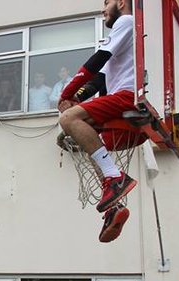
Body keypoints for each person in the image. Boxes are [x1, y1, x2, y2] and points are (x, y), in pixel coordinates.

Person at [57, 0, 142, 242]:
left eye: (107, 2)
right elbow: (98, 81)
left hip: (127, 98)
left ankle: (115, 179)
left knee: (68, 119)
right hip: (122, 101)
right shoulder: (127, 38)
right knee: (90, 143)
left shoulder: (126, 22)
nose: (103, 9)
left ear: (122, 2)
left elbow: (97, 60)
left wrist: (66, 93)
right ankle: (114, 205)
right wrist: (78, 96)